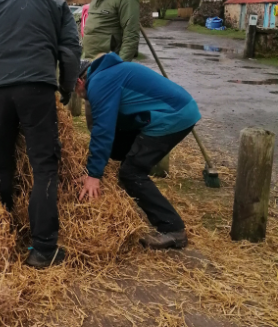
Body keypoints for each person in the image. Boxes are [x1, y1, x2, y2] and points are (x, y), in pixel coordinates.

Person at [0, 0, 82, 269]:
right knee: (43, 165)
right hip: (38, 88)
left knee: (0, 161)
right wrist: (66, 88)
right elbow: (70, 50)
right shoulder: (56, 3)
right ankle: (43, 249)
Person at [75, 53, 201, 249]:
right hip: (175, 109)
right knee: (117, 149)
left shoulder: (100, 82)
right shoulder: (104, 74)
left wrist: (93, 175)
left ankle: (172, 229)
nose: (76, 95)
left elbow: (103, 129)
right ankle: (135, 193)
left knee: (131, 172)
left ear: (79, 81)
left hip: (173, 115)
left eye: (74, 90)